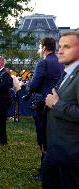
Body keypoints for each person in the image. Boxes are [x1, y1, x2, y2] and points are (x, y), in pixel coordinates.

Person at [43, 32, 79, 188]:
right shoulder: (67, 73)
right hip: (56, 149)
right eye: (60, 46)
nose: (60, 51)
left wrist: (56, 104)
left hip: (70, 154)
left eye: (67, 47)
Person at [25, 37, 64, 181]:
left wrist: (28, 85)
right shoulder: (60, 61)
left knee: (43, 139)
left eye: (39, 46)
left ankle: (46, 172)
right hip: (58, 104)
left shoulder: (43, 62)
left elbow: (34, 85)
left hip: (43, 105)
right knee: (53, 137)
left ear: (43, 47)